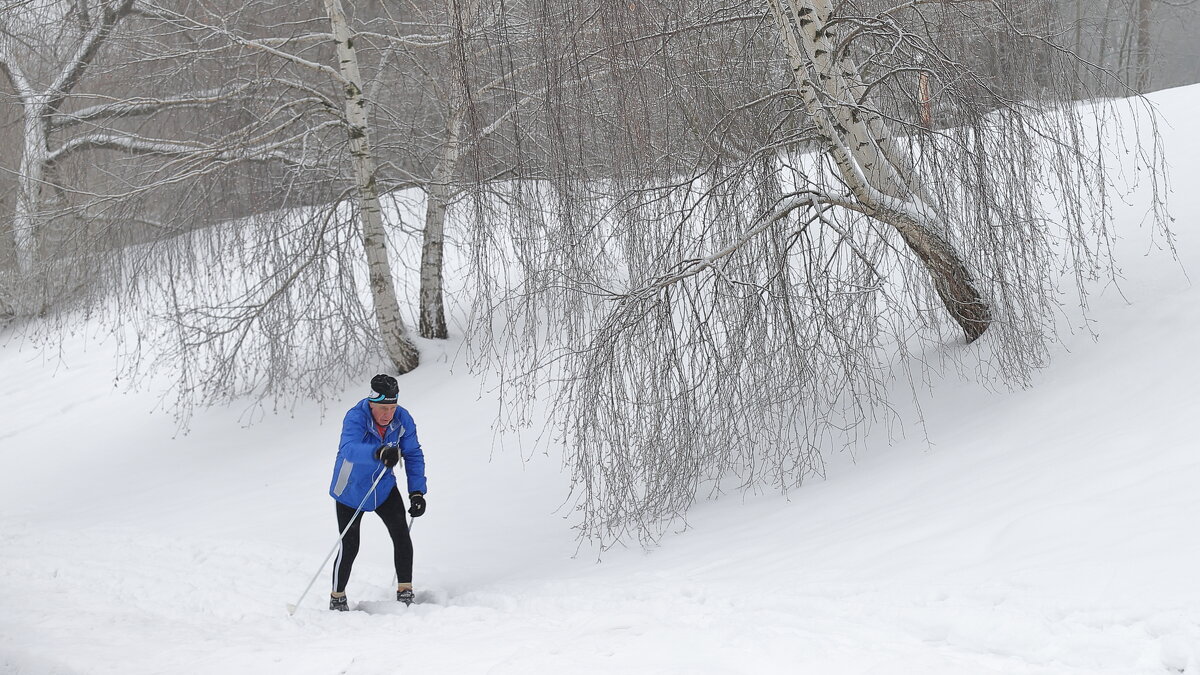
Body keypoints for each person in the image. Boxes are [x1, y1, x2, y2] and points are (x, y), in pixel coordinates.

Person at [327, 373, 427, 611]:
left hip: (382, 487)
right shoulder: (355, 417)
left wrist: (417, 492)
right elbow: (349, 449)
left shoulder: (403, 419)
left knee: (401, 535)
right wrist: (379, 452)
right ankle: (337, 596)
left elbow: (413, 454)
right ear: (371, 403)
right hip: (350, 489)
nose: (387, 414)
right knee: (350, 545)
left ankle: (405, 590)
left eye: (392, 407)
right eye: (383, 408)